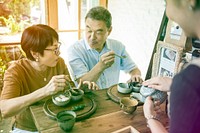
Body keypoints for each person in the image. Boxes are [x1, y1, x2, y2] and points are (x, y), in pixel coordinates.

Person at [0, 24, 98, 132]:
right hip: (29, 128)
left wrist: (79, 91)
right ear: (35, 54)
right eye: (54, 49)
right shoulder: (16, 71)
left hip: (57, 122)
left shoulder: (59, 62)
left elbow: (68, 91)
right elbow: (5, 109)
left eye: (58, 47)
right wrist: (45, 91)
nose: (59, 52)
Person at [143, 0, 200, 132]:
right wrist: (175, 84)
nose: (168, 15)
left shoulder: (190, 80)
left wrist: (150, 117)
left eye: (166, 3)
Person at [67, 6, 143, 89]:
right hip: (88, 99)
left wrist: (135, 76)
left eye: (98, 32)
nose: (92, 37)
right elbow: (81, 85)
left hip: (112, 96)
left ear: (109, 31)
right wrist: (100, 66)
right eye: (89, 30)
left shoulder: (118, 46)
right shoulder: (75, 50)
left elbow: (133, 69)